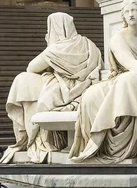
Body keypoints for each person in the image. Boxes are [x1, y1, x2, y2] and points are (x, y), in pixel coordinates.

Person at [70, 0, 137, 164]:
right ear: (123, 17)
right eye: (126, 12)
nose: (130, 14)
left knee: (131, 81)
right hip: (126, 76)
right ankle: (121, 146)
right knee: (126, 81)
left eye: (134, 10)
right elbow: (130, 63)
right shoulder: (118, 38)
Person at [1, 12, 102, 164]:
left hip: (63, 92)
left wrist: (50, 46)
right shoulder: (89, 44)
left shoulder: (57, 49)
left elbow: (31, 67)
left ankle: (37, 140)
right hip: (85, 89)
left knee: (23, 81)